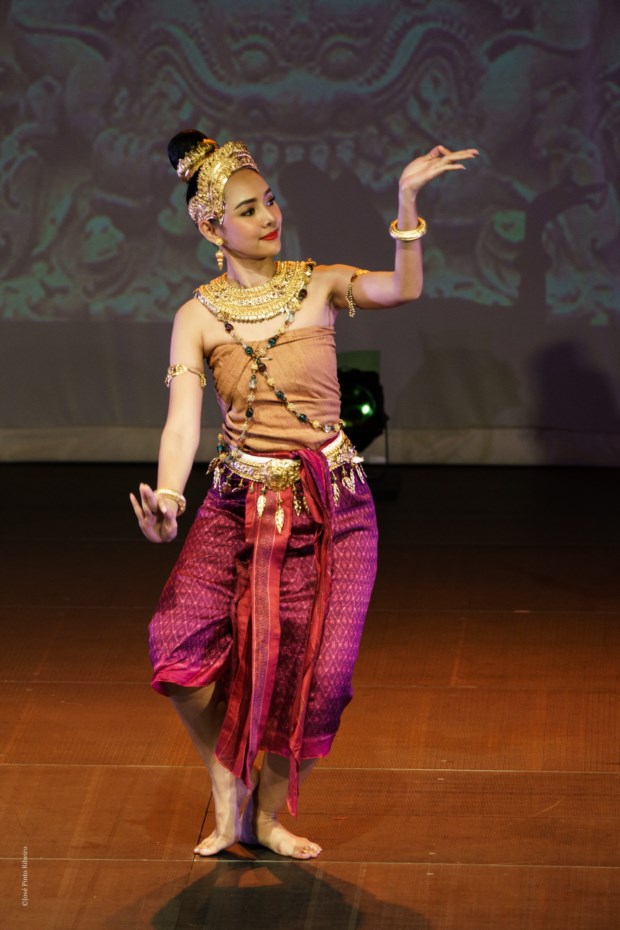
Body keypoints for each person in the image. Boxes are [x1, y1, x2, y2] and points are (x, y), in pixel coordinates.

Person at [130, 132, 478, 860]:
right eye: (248, 209)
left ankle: (266, 815)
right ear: (212, 229)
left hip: (334, 507)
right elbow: (182, 421)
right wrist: (168, 496)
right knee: (177, 640)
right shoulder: (197, 317)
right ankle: (226, 780)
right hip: (238, 504)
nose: (269, 217)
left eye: (270, 201)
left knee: (323, 676)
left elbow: (402, 289)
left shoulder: (318, 283)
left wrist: (406, 201)